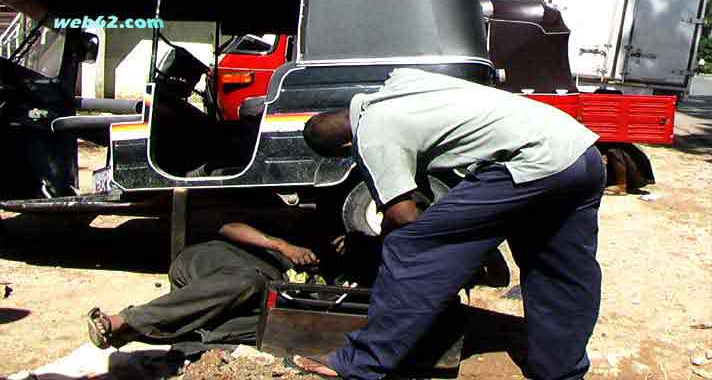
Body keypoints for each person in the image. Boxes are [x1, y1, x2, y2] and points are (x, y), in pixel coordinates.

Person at [295, 68, 606, 380]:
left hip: (532, 162)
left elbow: (404, 217)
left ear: (344, 147)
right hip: (580, 151)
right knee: (558, 269)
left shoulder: (370, 137)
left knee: (411, 247)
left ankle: (361, 363)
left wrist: (381, 245)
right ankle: (562, 371)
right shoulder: (400, 84)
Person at [87, 221, 338, 349]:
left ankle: (144, 330)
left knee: (275, 326)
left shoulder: (332, 263)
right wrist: (282, 246)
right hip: (210, 265)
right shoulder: (297, 217)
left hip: (242, 299)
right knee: (250, 280)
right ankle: (126, 319)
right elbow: (228, 227)